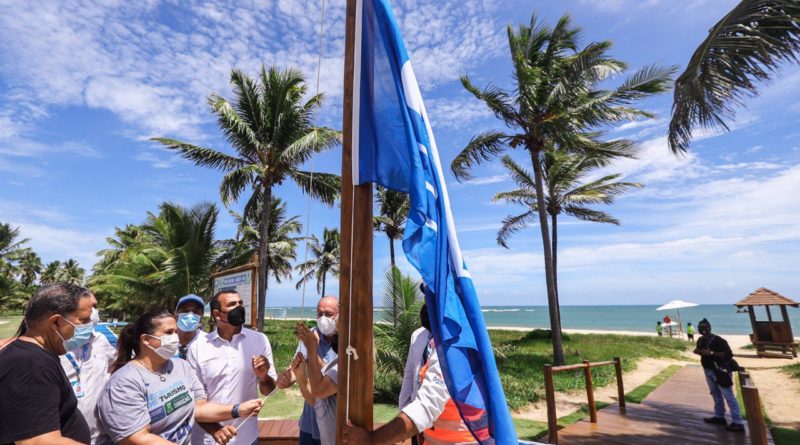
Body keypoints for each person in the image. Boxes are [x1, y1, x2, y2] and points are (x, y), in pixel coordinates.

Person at [96, 310, 263, 445]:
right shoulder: (124, 383)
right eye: (169, 332)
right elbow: (137, 438)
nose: (175, 338)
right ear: (146, 340)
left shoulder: (181, 367)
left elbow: (198, 407)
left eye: (176, 331)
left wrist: (237, 410)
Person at [344, 301, 479, 445]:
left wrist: (371, 440)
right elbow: (409, 378)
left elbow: (428, 403)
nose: (428, 306)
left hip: (459, 439)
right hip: (423, 429)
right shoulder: (422, 337)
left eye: (434, 298)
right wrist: (405, 423)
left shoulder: (454, 346)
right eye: (427, 298)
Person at [0, 283, 93, 445]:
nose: (90, 325)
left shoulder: (37, 356)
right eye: (84, 320)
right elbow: (38, 441)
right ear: (55, 322)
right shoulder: (29, 365)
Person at [186, 290, 277, 445]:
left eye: (240, 303)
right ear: (217, 314)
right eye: (232, 304)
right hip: (208, 439)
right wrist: (216, 431)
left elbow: (269, 391)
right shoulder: (197, 348)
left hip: (246, 437)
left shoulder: (259, 340)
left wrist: (264, 376)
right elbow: (195, 403)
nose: (239, 307)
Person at [275, 296, 339, 445]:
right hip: (309, 424)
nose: (323, 319)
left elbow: (328, 381)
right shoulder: (310, 335)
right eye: (319, 314)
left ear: (340, 315)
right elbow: (296, 366)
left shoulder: (346, 340)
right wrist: (287, 378)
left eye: (329, 314)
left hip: (334, 424)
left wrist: (312, 350)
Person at [59, 293, 116, 444]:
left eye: (95, 306)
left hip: (103, 436)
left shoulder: (100, 340)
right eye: (88, 307)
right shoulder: (54, 348)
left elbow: (114, 367)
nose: (93, 312)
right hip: (65, 438)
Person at [692, 318, 744, 432]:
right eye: (700, 327)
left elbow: (728, 355)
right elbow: (701, 351)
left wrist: (711, 353)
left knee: (728, 394)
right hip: (708, 369)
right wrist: (699, 351)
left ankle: (737, 421)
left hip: (720, 370)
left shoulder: (719, 340)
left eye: (704, 327)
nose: (702, 329)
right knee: (715, 394)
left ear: (709, 327)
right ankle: (719, 416)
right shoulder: (700, 340)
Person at [294, 321, 339, 445]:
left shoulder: (346, 365)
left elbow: (318, 390)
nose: (334, 334)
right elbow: (316, 400)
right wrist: (300, 377)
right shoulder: (339, 363)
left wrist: (312, 350)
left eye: (337, 330)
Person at [175, 293, 205, 360]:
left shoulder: (209, 343)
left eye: (196, 311)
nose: (190, 314)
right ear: (176, 313)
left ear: (201, 316)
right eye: (185, 310)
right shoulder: (166, 340)